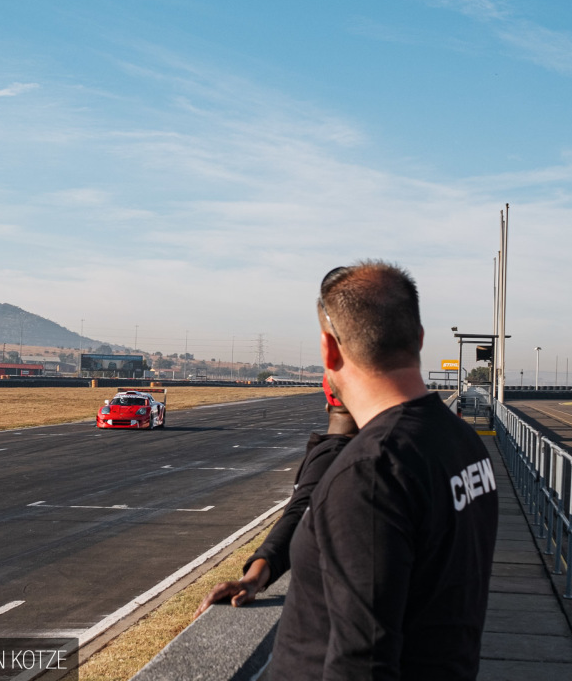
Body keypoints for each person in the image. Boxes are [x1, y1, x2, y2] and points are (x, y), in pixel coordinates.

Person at [266, 261, 498, 680]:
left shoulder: (371, 472)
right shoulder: (464, 442)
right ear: (420, 339)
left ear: (329, 350)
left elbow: (364, 663)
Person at [194, 377, 358, 615]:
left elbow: (299, 514)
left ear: (328, 404)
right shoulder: (362, 449)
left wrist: (253, 579)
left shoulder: (333, 455)